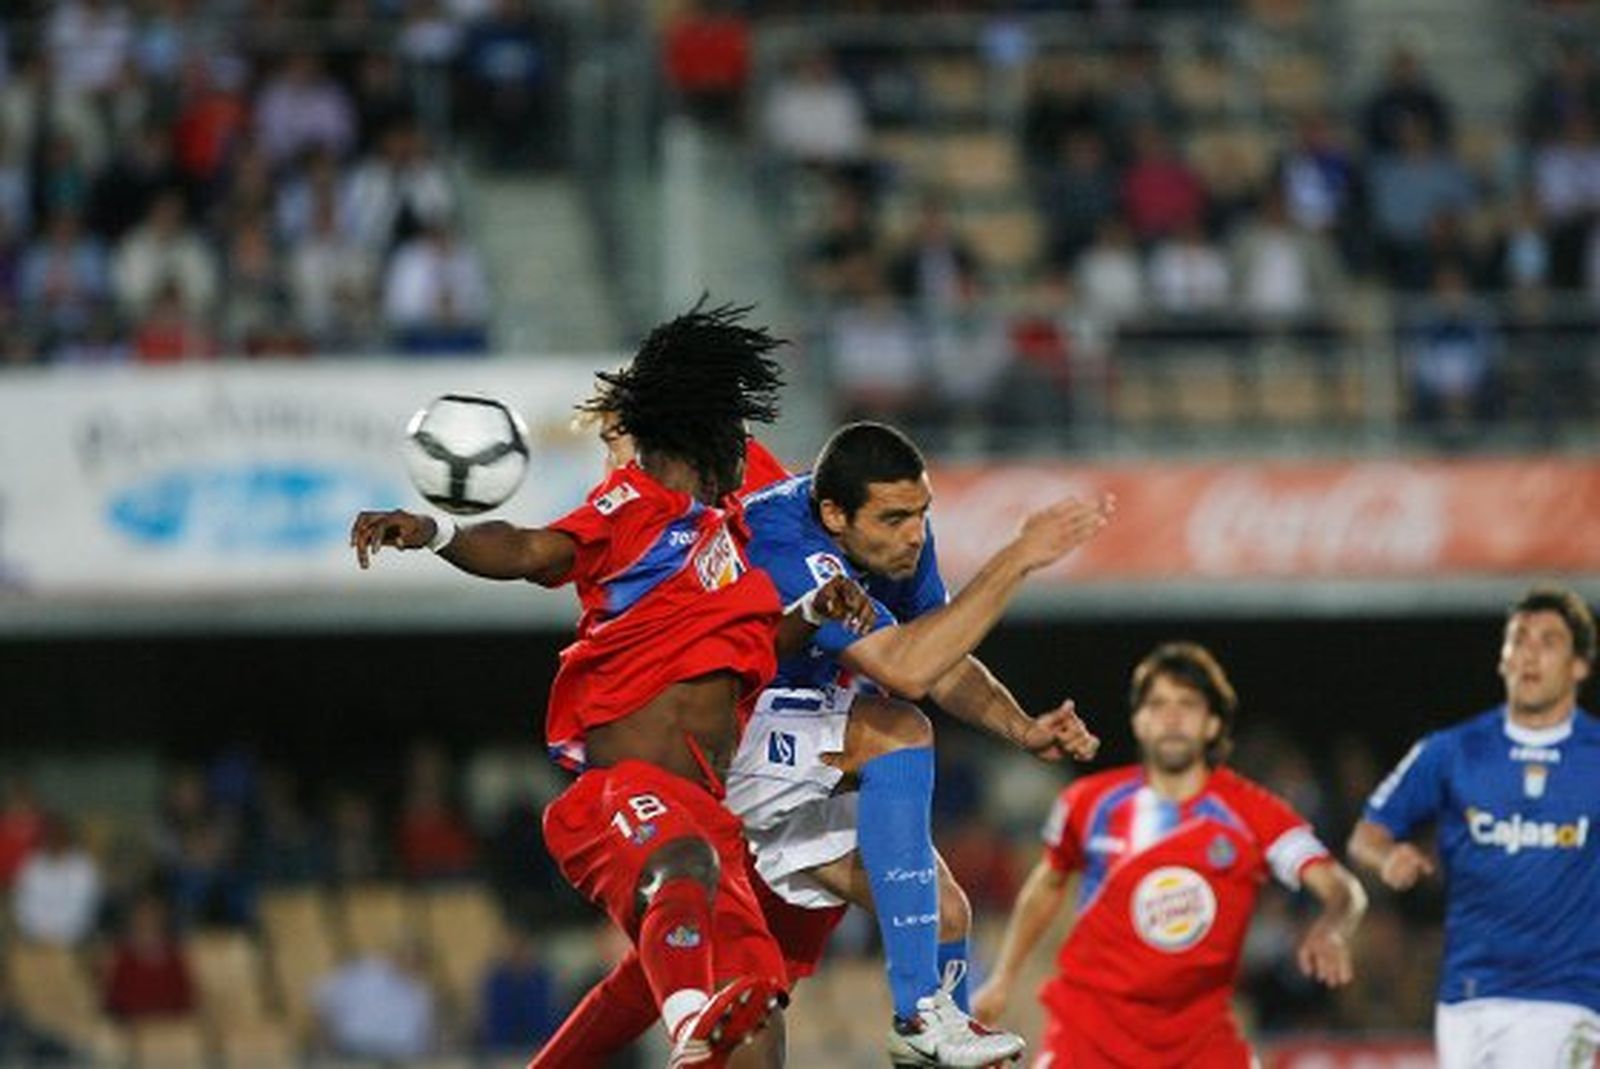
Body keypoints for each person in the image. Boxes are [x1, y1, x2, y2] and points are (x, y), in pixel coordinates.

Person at [350, 302, 872, 1069]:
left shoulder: (728, 547)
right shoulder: (634, 507)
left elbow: (755, 646)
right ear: (696, 437)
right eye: (733, 433)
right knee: (683, 876)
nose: (746, 448)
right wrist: (436, 531)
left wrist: (817, 609)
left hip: (711, 815)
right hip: (620, 795)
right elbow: (531, 549)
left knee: (759, 1022)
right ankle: (690, 1027)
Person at [544, 420, 1110, 1068]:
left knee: (944, 916)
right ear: (836, 514)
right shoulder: (778, 538)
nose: (914, 534)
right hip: (722, 741)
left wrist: (1022, 726)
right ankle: (920, 1014)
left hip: (796, 740)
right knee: (899, 729)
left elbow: (939, 653)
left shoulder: (895, 538)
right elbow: (906, 669)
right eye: (895, 518)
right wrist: (1016, 559)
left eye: (921, 513)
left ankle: (934, 1030)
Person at [972, 642, 1367, 1068]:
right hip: (1090, 1037)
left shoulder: (1254, 814)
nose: (1172, 717)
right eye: (1158, 705)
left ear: (1213, 724)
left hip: (1198, 1042)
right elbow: (1048, 883)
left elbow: (1341, 888)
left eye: (1187, 705)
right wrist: (1003, 978)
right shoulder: (1089, 803)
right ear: (1139, 721)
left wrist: (1331, 927)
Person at [1348, 586, 1600, 1068]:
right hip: (1468, 994)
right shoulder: (1451, 750)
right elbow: (1367, 834)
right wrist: (1388, 857)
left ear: (1579, 666)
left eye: (1548, 642)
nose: (1529, 654)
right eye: (1518, 640)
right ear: (1502, 659)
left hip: (1563, 994)